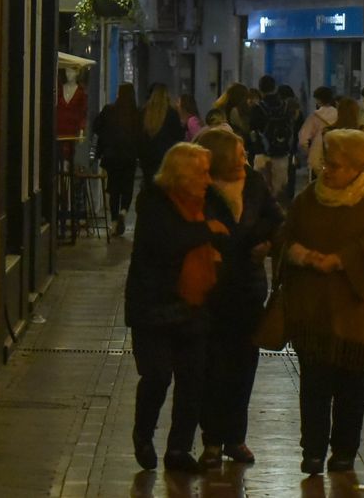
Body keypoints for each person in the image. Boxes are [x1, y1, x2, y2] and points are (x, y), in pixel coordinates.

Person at [279, 128, 364, 475]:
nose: (327, 171)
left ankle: (345, 450)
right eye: (326, 164)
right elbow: (287, 233)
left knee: (350, 384)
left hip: (353, 308)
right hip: (313, 307)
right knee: (314, 383)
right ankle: (313, 451)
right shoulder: (309, 197)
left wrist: (342, 259)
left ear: (356, 167)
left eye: (335, 165)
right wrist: (300, 254)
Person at [123, 143, 230, 473]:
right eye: (201, 173)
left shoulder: (208, 202)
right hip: (154, 305)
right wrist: (205, 232)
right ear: (181, 175)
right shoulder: (155, 204)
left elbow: (228, 230)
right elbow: (167, 241)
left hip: (194, 303)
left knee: (192, 380)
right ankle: (143, 435)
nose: (207, 180)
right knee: (156, 376)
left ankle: (179, 449)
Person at [194, 128, 284, 468]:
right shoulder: (200, 187)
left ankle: (236, 437)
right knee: (210, 366)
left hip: (248, 289)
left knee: (243, 366)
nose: (244, 157)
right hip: (209, 289)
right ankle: (211, 440)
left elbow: (278, 222)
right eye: (238, 152)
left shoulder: (255, 184)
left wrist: (268, 244)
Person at [94, 82, 144, 236]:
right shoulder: (137, 113)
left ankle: (114, 221)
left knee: (114, 188)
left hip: (112, 156)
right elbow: (141, 135)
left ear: (119, 94)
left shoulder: (109, 110)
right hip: (129, 157)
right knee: (127, 187)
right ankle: (123, 211)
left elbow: (97, 127)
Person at [249, 75, 296, 204]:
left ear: (260, 89)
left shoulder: (257, 108)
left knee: (261, 191)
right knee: (279, 192)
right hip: (282, 154)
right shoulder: (285, 107)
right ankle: (280, 218)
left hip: (262, 153)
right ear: (275, 87)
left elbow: (252, 131)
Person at [139, 84, 186, 189]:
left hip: (146, 157)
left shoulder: (144, 112)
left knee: (149, 185)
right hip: (166, 157)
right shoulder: (172, 113)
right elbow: (179, 135)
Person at [298, 86, 339, 176]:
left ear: (319, 100)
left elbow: (302, 140)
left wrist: (309, 151)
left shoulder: (314, 117)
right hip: (336, 156)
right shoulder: (340, 115)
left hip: (317, 157)